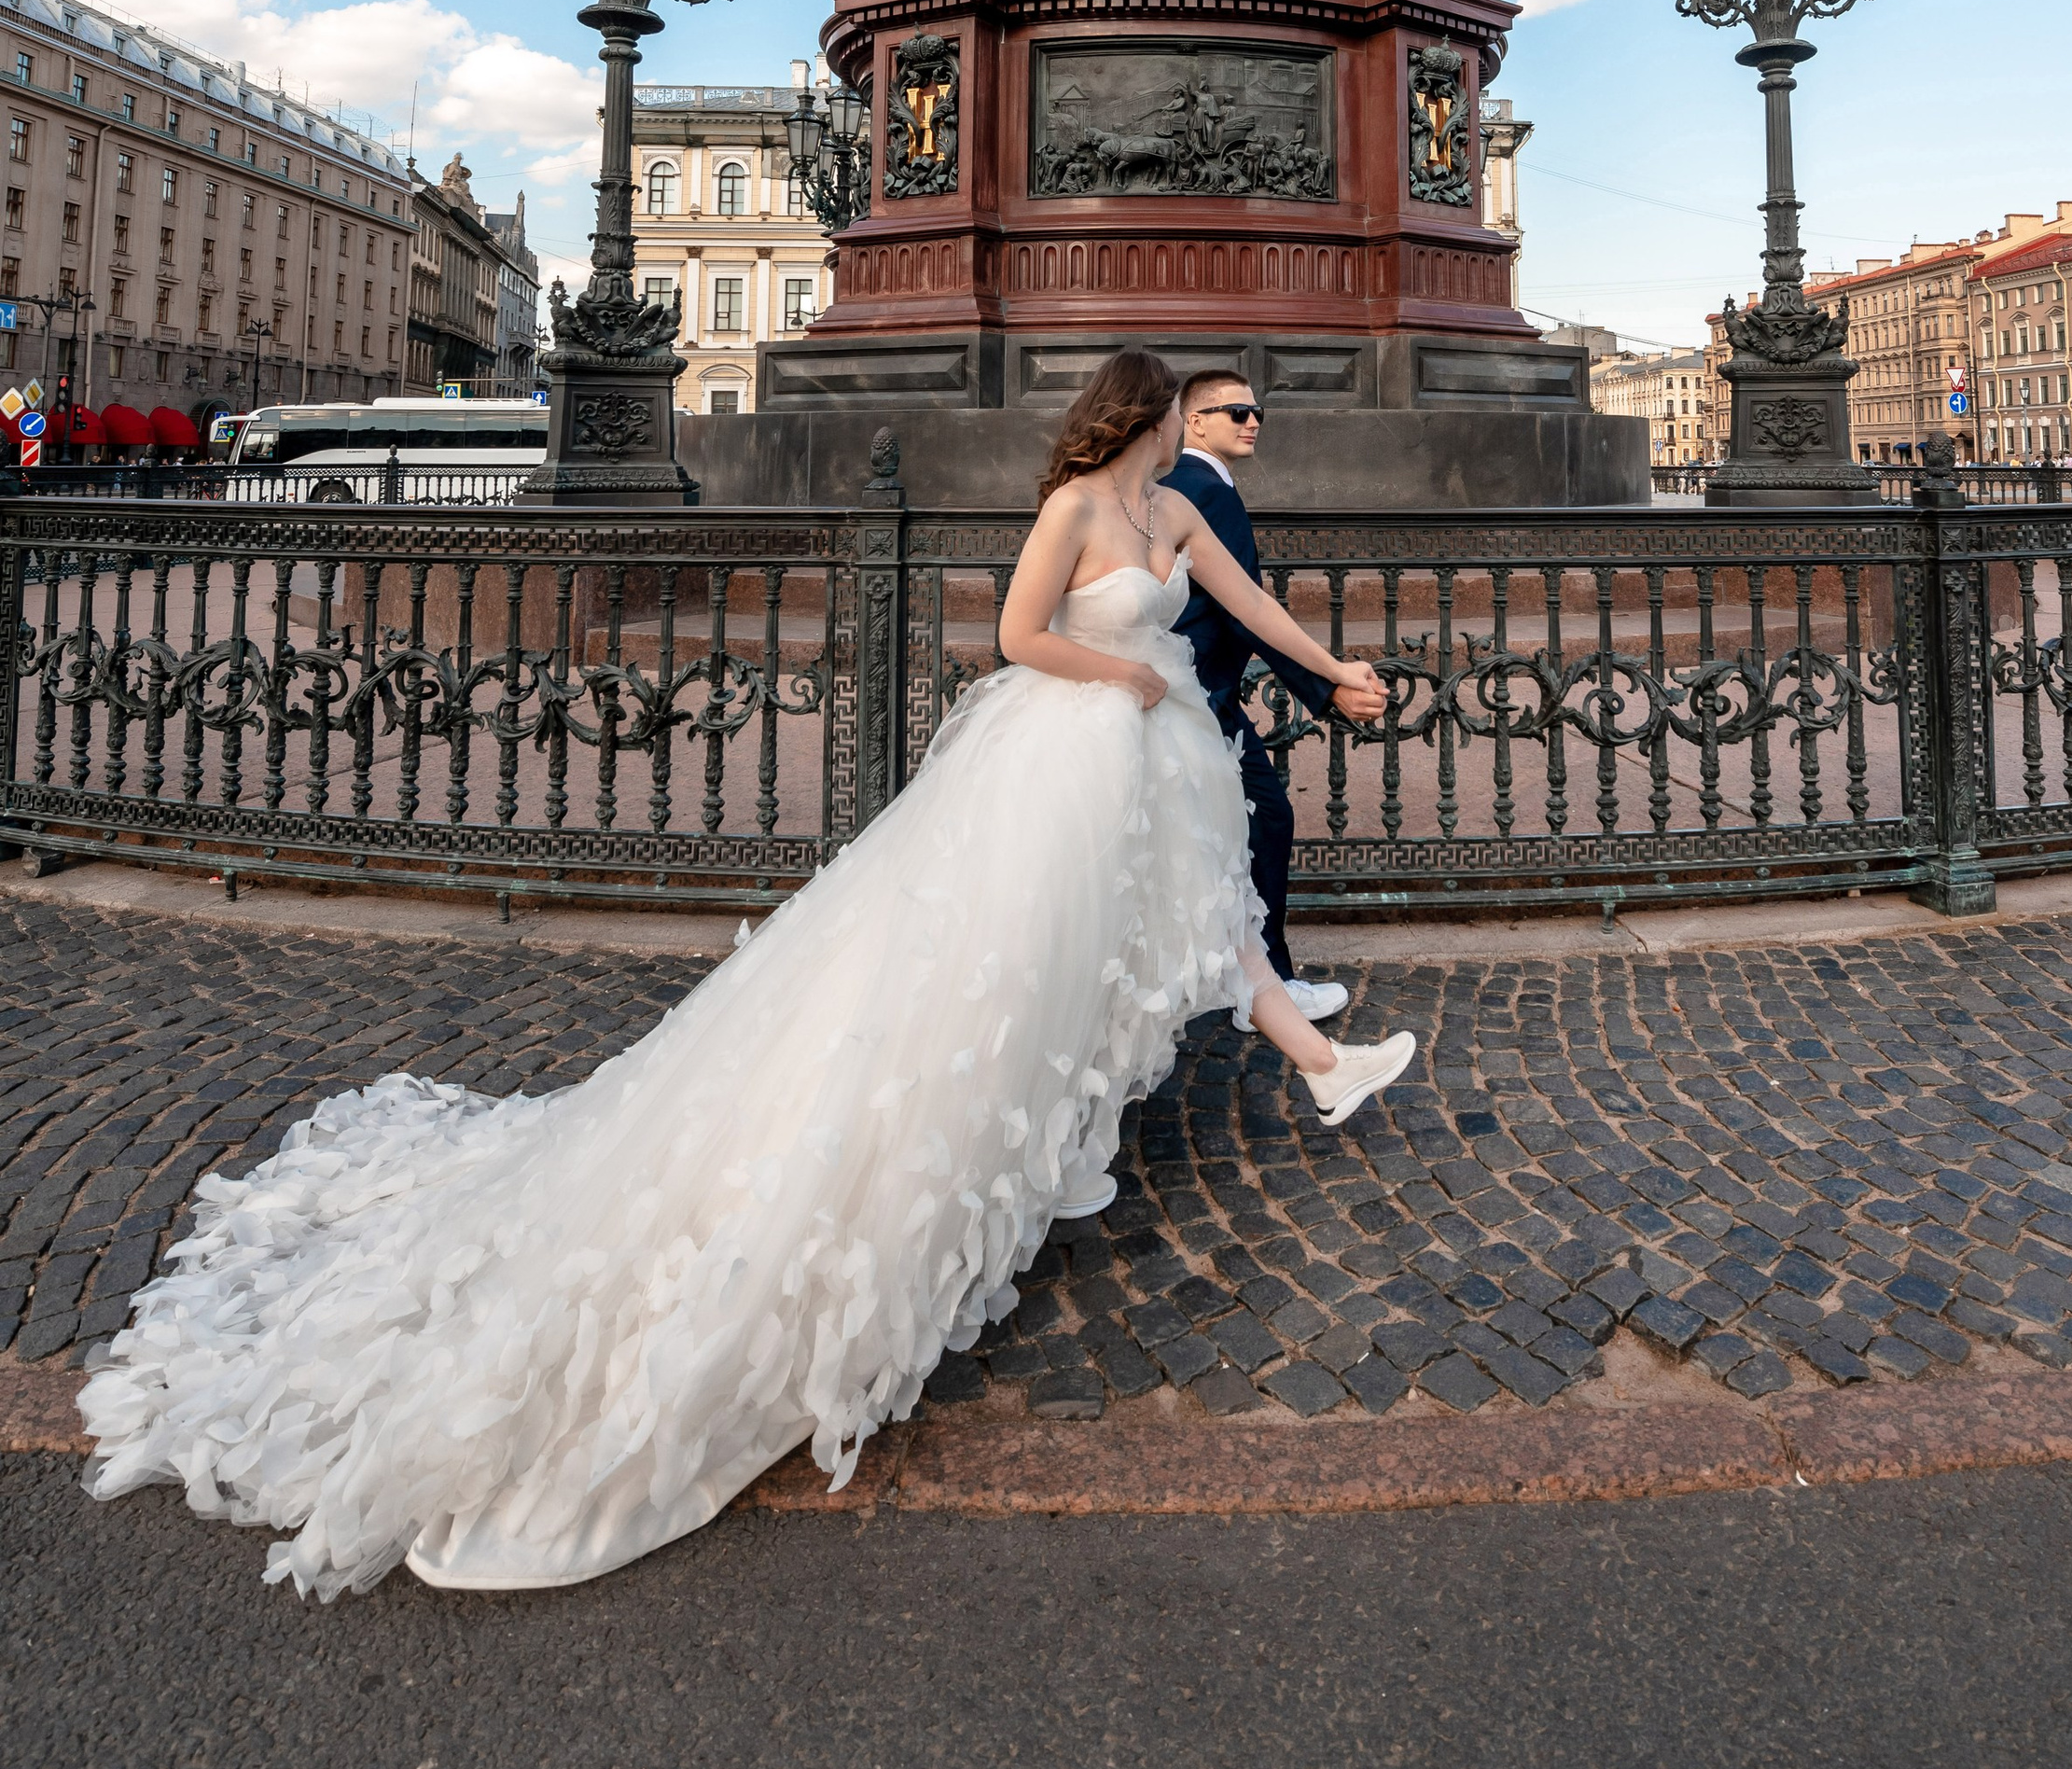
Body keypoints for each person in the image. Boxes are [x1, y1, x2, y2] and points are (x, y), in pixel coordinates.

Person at [77, 353, 1415, 1603]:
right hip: (1066, 749)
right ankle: (960, 1145)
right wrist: (1121, 667)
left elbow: (1254, 609)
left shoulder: (1176, 521)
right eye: (1187, 412)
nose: (1201, 428)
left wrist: (1334, 667)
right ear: (1144, 416)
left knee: (1201, 913)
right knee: (998, 965)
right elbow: (1016, 634)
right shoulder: (1073, 505)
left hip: (1148, 749)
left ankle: (1322, 1061)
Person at [1164, 369, 1377, 1033]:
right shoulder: (1205, 491)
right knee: (1265, 821)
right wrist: (1327, 687)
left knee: (1217, 832)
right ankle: (1267, 987)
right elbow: (1245, 610)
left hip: (1186, 689)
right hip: (1201, 696)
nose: (1252, 421)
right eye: (1235, 411)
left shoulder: (1190, 486)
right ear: (1193, 421)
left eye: (1256, 411)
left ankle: (1233, 978)